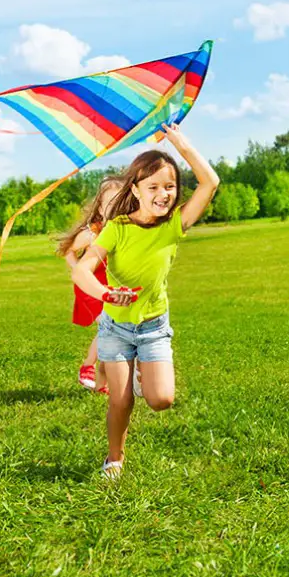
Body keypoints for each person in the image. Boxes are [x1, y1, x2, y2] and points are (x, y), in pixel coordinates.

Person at [72, 124, 219, 479]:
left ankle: (144, 376)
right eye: (153, 186)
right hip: (116, 328)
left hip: (153, 328)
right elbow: (82, 271)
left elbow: (210, 183)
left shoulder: (174, 225)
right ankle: (114, 459)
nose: (163, 194)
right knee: (120, 399)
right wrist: (107, 294)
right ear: (135, 190)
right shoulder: (118, 227)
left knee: (161, 400)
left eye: (170, 186)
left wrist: (181, 143)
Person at [55, 177, 123, 394]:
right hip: (90, 286)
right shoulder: (92, 232)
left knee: (114, 329)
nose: (114, 208)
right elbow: (66, 250)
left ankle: (104, 381)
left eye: (119, 202)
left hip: (108, 286)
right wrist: (78, 271)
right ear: (99, 206)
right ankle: (88, 366)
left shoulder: (122, 228)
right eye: (109, 203)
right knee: (108, 326)